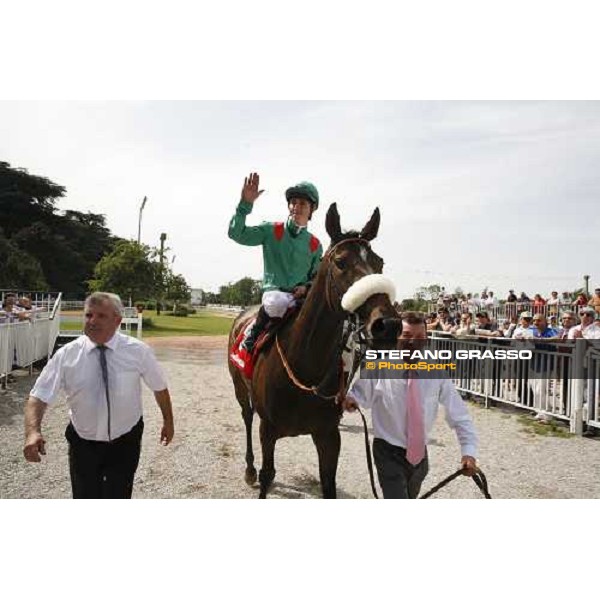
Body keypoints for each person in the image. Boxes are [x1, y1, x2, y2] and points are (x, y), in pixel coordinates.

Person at [23, 292, 174, 499]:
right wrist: (32, 432)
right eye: (88, 315)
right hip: (83, 442)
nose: (92, 321)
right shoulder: (67, 354)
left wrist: (168, 420)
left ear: (117, 321)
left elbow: (159, 387)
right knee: (85, 495)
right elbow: (39, 396)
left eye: (101, 316)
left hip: (125, 439)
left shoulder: (138, 351)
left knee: (119, 494)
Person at [342, 311, 478, 499]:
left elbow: (460, 415)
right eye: (407, 335)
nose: (413, 342)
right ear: (397, 336)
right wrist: (350, 400)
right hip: (388, 451)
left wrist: (468, 452)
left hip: (420, 458)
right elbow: (357, 395)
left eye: (420, 337)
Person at [228, 172, 323, 354]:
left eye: (302, 203)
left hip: (300, 299)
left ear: (312, 209)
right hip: (274, 296)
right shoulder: (272, 230)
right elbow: (236, 234)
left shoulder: (315, 245)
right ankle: (252, 336)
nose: (296, 207)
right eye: (293, 202)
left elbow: (316, 277)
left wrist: (306, 288)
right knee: (277, 301)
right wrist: (245, 205)